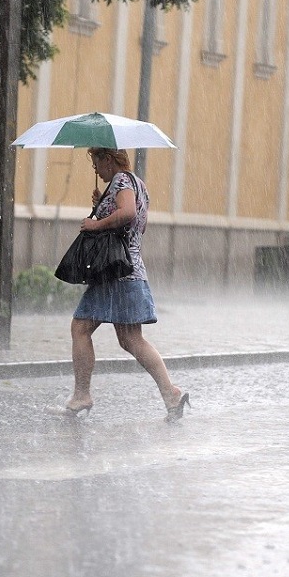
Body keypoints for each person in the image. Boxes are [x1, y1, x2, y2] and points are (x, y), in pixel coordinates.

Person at [62, 147, 189, 421]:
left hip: (115, 272)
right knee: (131, 339)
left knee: (81, 327)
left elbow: (128, 213)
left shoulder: (120, 181)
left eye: (97, 163)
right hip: (131, 270)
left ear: (108, 159)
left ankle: (82, 394)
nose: (96, 169)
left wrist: (96, 224)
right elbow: (133, 222)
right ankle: (170, 393)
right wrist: (103, 203)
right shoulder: (137, 184)